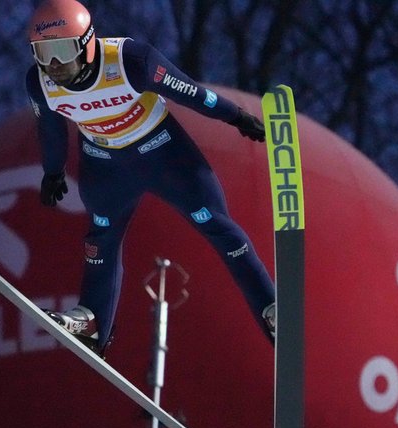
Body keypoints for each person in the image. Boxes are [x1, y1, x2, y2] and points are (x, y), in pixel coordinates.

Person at [26, 0, 275, 356]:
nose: (54, 65)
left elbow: (192, 92)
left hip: (164, 154)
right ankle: (93, 320)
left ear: (88, 42)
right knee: (101, 240)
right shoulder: (40, 82)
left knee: (216, 224)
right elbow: (49, 131)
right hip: (105, 165)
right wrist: (52, 172)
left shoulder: (130, 60)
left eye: (62, 51)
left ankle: (270, 307)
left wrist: (236, 117)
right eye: (43, 53)